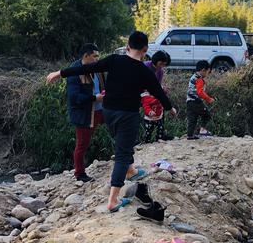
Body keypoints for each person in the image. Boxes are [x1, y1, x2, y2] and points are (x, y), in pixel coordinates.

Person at [47, 31, 178, 212]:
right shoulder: (144, 71)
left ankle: (131, 171)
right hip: (128, 114)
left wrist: (60, 73)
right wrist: (170, 108)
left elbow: (87, 68)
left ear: (127, 47)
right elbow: (158, 92)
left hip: (109, 112)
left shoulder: (114, 60)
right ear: (145, 49)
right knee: (122, 154)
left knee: (123, 142)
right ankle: (113, 200)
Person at [67, 43, 106, 182]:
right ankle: (79, 173)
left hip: (100, 109)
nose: (97, 59)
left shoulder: (97, 69)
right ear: (86, 56)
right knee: (82, 144)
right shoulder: (75, 71)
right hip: (84, 113)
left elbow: (102, 86)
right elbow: (73, 97)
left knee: (117, 129)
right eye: (94, 56)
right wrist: (94, 98)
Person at [141, 50, 173, 143]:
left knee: (161, 106)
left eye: (164, 64)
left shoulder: (160, 72)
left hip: (152, 93)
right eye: (161, 63)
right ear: (156, 60)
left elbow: (157, 86)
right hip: (142, 93)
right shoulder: (145, 66)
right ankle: (146, 138)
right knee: (147, 114)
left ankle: (161, 134)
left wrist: (162, 89)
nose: (162, 66)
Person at [186, 60, 215, 140]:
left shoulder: (193, 77)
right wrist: (208, 99)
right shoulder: (199, 79)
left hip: (189, 101)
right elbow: (200, 92)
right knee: (207, 115)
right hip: (196, 101)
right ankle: (202, 130)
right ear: (203, 70)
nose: (207, 74)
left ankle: (190, 135)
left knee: (192, 118)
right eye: (207, 72)